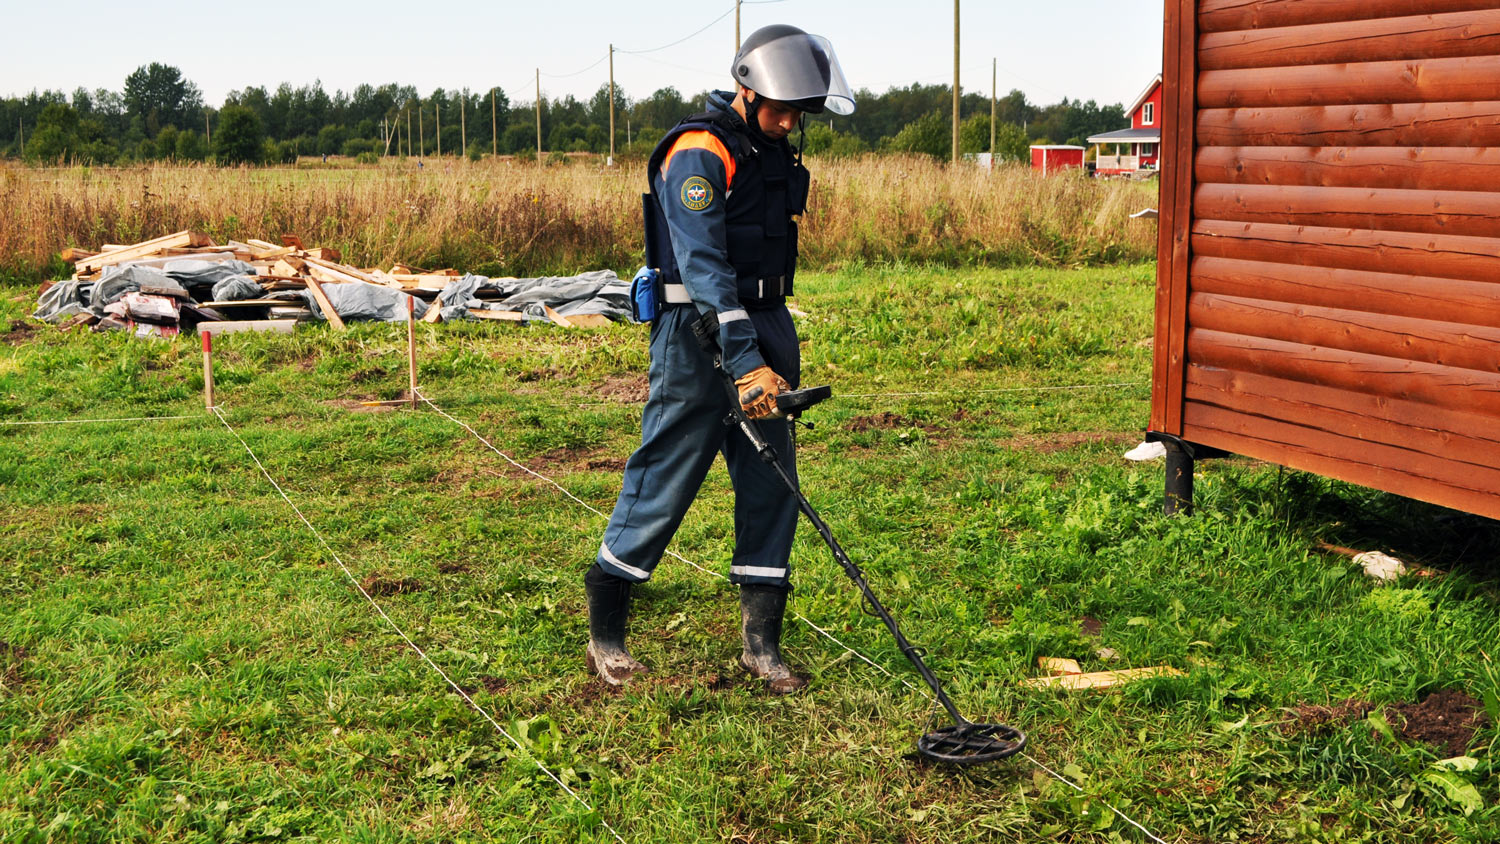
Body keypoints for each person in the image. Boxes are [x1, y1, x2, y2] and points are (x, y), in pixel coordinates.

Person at [584, 25, 855, 694]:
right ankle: (607, 634)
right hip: (696, 331)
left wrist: (768, 353)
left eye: (800, 112)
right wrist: (743, 363)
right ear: (746, 88)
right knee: (667, 469)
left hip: (765, 321)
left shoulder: (774, 152)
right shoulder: (699, 151)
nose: (789, 122)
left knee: (772, 482)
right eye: (780, 108)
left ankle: (762, 646)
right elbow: (704, 266)